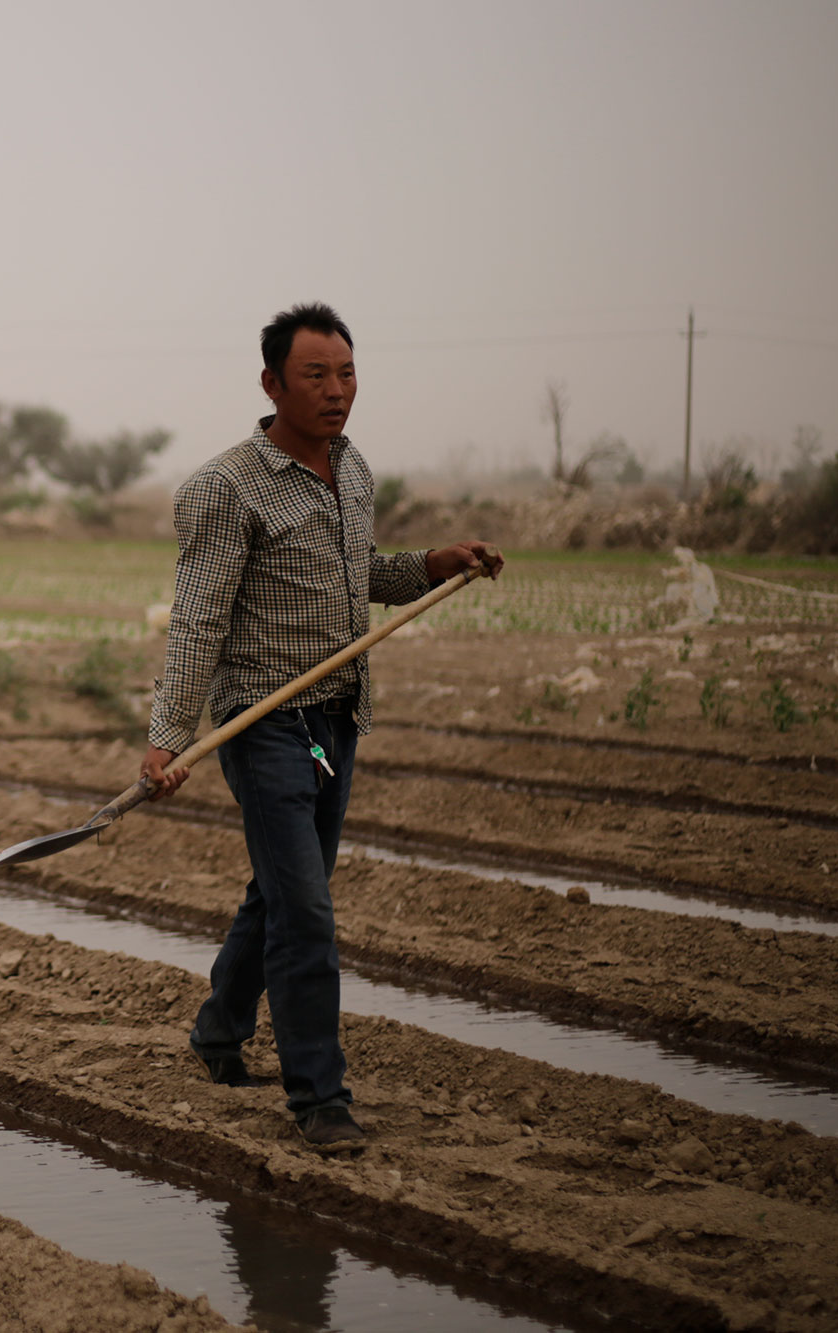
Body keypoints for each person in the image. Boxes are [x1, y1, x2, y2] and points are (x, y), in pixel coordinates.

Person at [139, 306, 503, 1151]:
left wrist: (432, 565)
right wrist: (169, 734)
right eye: (316, 376)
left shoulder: (353, 470)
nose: (336, 392)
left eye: (346, 375)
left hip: (336, 716)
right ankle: (318, 1098)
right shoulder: (225, 489)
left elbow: (357, 575)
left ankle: (217, 1032)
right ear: (271, 384)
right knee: (307, 910)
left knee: (280, 891)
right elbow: (197, 621)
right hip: (264, 724)